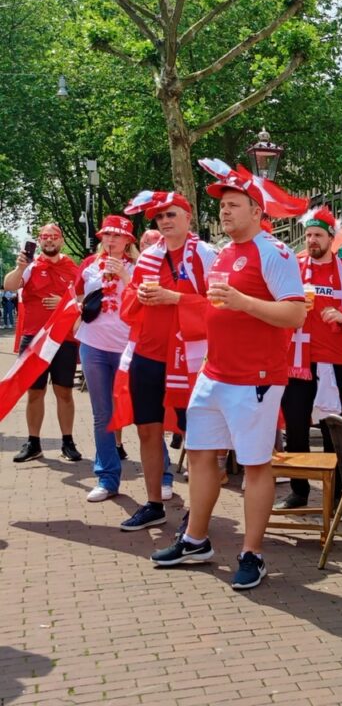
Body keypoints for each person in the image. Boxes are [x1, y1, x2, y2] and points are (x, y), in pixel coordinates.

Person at [151, 165, 307, 591]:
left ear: (257, 211)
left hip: (254, 377)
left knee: (255, 464)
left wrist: (243, 302)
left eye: (234, 205)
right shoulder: (223, 252)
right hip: (214, 373)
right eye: (222, 206)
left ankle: (252, 553)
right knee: (200, 454)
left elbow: (295, 313)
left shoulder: (274, 252)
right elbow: (215, 308)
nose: (224, 211)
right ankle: (195, 540)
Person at [118, 191, 217, 531]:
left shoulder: (206, 254)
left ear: (188, 217)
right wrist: (136, 294)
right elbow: (128, 303)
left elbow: (222, 304)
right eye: (159, 216)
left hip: (191, 358)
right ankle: (153, 503)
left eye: (171, 214)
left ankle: (197, 508)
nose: (164, 221)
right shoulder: (149, 256)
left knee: (197, 435)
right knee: (147, 428)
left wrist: (175, 298)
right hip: (147, 353)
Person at [275, 207, 342, 512]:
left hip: (334, 362)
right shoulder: (293, 269)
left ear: (331, 238)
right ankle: (299, 490)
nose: (312, 240)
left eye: (318, 235)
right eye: (309, 235)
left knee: (332, 431)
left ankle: (336, 497)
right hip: (296, 361)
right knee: (296, 428)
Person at [3, 223, 80, 463]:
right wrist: (20, 267)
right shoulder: (30, 266)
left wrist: (64, 302)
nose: (49, 240)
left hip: (63, 339)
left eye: (54, 236)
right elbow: (9, 286)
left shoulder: (73, 268)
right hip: (34, 340)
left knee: (64, 392)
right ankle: (33, 443)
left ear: (61, 240)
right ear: (39, 240)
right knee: (35, 392)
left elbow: (83, 299)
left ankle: (68, 442)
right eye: (45, 236)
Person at [74, 216, 137, 502]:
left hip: (128, 348)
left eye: (117, 235)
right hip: (93, 345)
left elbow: (144, 299)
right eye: (107, 235)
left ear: (128, 240)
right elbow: (75, 295)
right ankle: (107, 478)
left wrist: (124, 276)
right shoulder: (89, 265)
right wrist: (78, 307)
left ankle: (162, 475)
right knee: (102, 415)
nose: (111, 240)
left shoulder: (137, 267)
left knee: (144, 412)